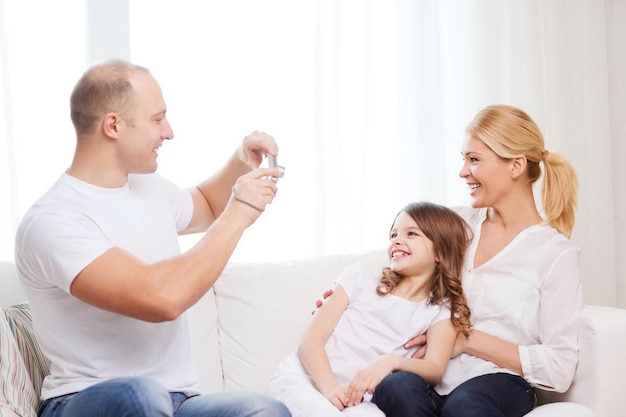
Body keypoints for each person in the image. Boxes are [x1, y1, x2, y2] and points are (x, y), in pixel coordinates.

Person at [14, 59, 291, 417]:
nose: (169, 132)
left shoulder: (149, 189)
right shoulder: (52, 221)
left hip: (176, 402)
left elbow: (207, 204)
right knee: (140, 395)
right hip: (85, 400)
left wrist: (241, 161)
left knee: (263, 410)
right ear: (113, 125)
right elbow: (162, 299)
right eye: (157, 119)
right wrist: (238, 215)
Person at [369, 105, 583, 417]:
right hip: (435, 369)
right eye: (464, 159)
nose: (463, 171)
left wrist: (465, 338)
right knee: (394, 387)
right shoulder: (456, 225)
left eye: (474, 160)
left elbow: (560, 368)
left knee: (465, 407)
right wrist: (348, 295)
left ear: (516, 166)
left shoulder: (554, 253)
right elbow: (405, 267)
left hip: (500, 380)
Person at [266, 201, 473, 417]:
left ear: (440, 251)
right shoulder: (360, 277)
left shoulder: (440, 311)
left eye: (411, 234)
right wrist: (331, 390)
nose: (397, 241)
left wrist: (391, 362)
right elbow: (311, 339)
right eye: (393, 235)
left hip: (357, 401)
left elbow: (434, 368)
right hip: (307, 381)